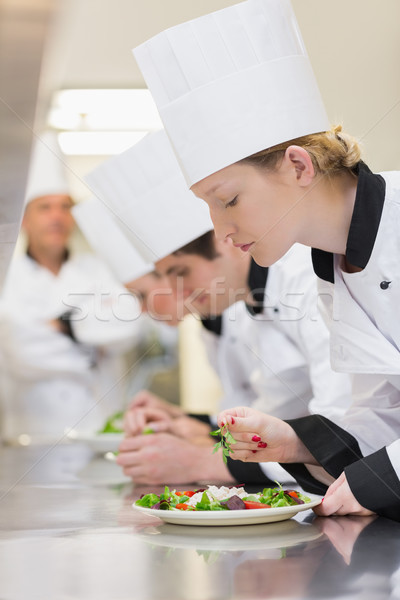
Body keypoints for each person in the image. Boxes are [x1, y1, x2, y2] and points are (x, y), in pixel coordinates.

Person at [133, 0, 400, 519]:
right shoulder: (333, 264)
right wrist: (298, 443)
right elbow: (386, 410)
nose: (221, 231)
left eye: (228, 199)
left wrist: (383, 476)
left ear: (298, 165)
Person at [85, 129, 351, 489]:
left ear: (225, 243)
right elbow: (267, 414)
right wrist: (200, 427)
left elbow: (346, 428)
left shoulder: (306, 279)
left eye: (180, 273)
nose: (179, 294)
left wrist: (210, 462)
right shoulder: (244, 305)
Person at [0, 133, 141, 442]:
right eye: (45, 207)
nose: (57, 217)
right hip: (32, 434)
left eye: (65, 207)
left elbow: (130, 327)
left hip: (102, 431)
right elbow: (20, 351)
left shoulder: (101, 269)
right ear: (24, 219)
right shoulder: (6, 278)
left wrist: (62, 326)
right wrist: (93, 344)